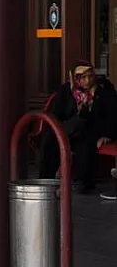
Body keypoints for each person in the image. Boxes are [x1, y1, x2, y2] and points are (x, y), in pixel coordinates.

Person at [40, 62, 117, 193]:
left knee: (83, 139)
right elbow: (56, 115)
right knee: (51, 138)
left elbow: (112, 115)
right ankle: (45, 180)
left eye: (90, 76)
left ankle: (83, 183)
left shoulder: (104, 90)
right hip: (67, 130)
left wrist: (106, 135)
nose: (87, 81)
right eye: (83, 77)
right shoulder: (66, 91)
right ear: (76, 78)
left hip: (91, 131)